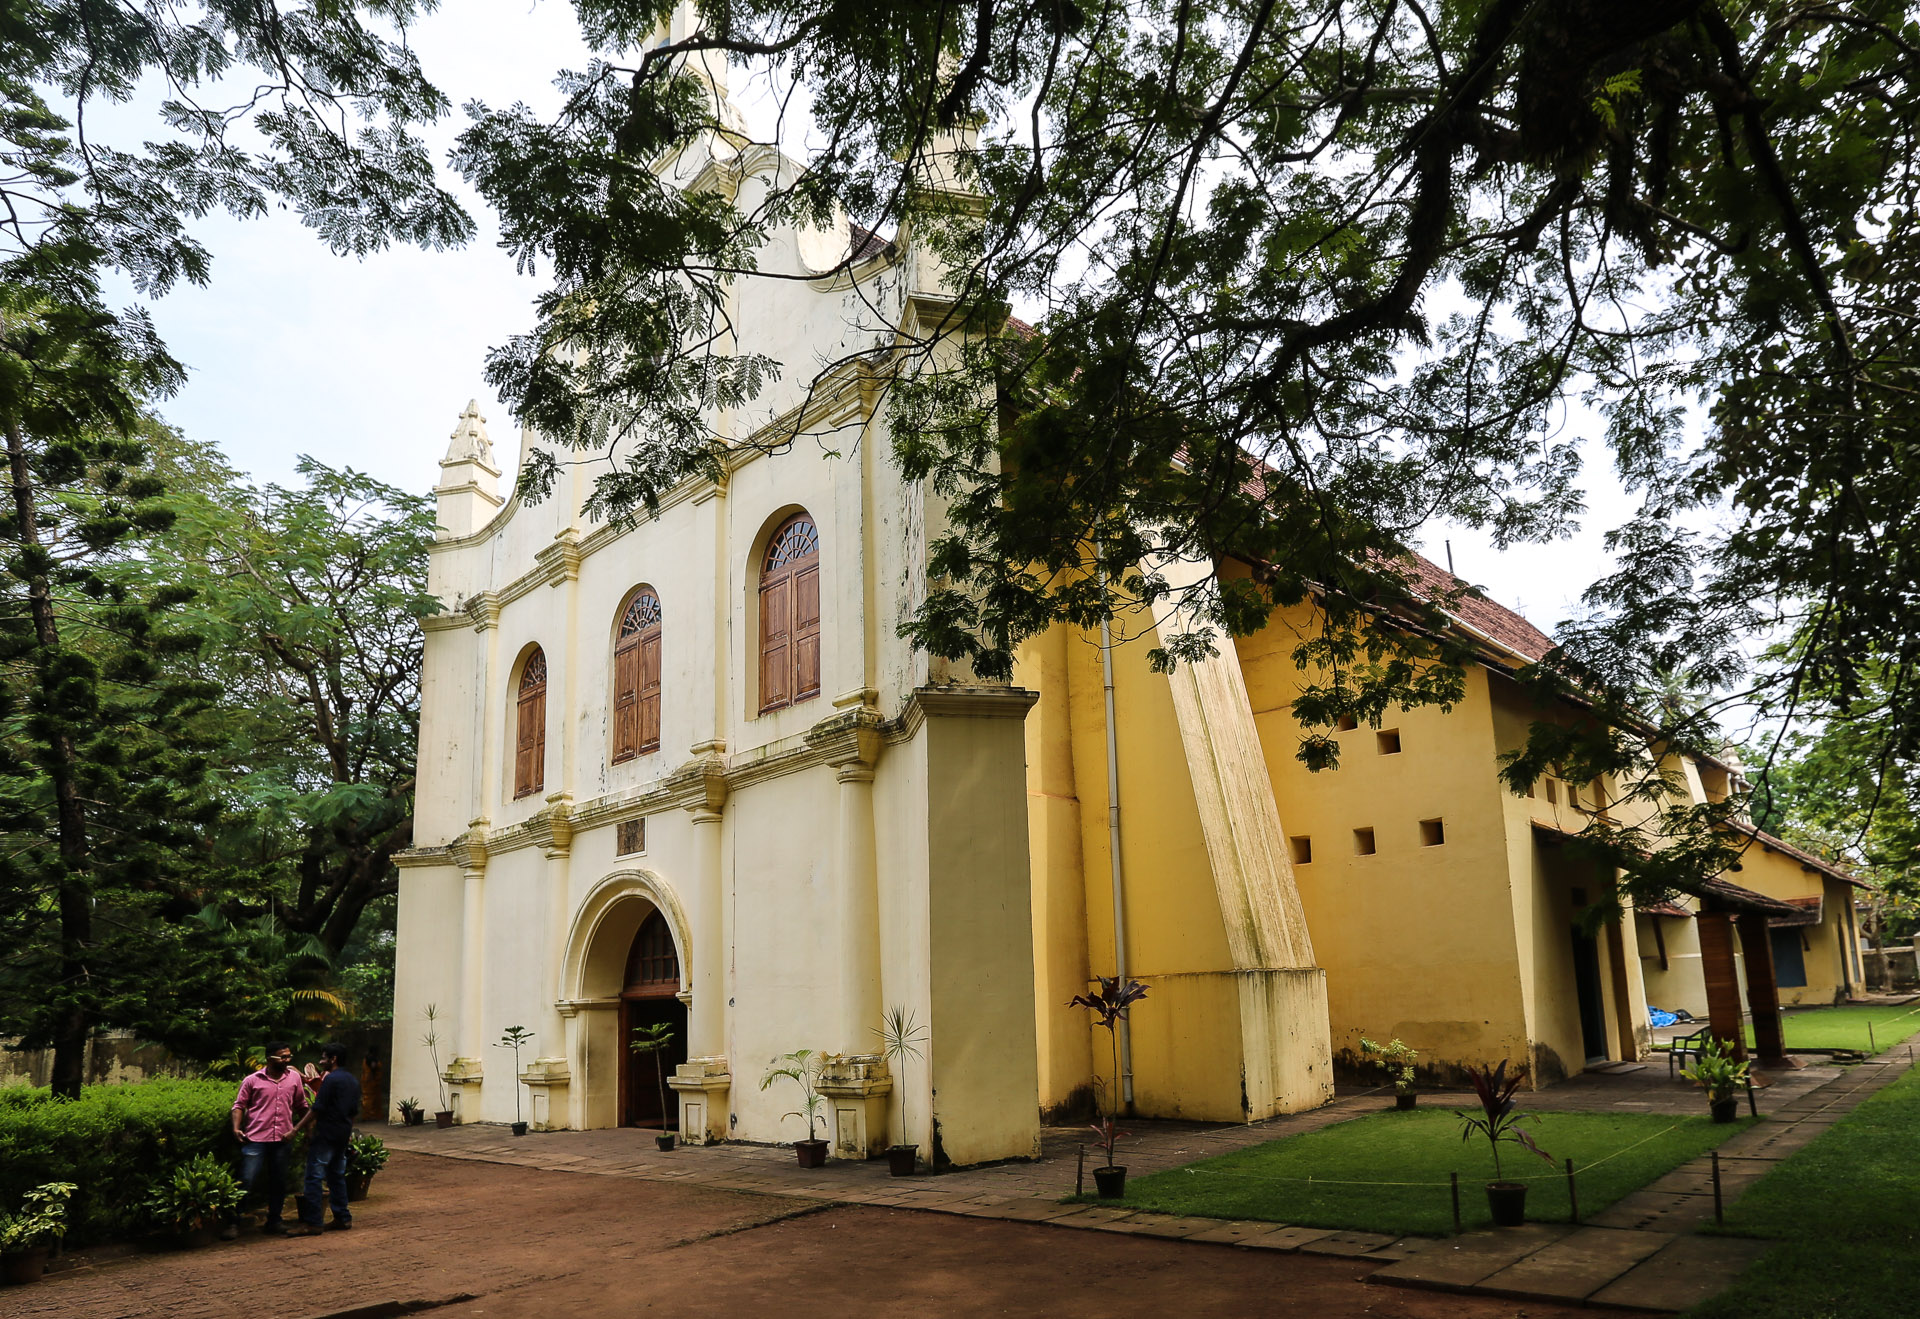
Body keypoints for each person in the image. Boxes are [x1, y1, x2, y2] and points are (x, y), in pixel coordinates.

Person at [225, 1041, 310, 1238]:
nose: (287, 1060)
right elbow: (239, 1106)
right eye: (283, 1057)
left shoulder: (294, 1079)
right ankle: (233, 1222)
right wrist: (236, 1128)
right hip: (256, 1139)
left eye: (289, 1056)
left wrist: (306, 1130)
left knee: (278, 1181)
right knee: (246, 1180)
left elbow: (301, 1105)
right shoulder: (252, 1080)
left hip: (282, 1139)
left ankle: (275, 1220)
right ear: (269, 1059)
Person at [291, 1042, 362, 1235]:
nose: (320, 1062)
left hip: (326, 1134)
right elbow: (354, 1111)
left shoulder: (330, 1080)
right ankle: (342, 1217)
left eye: (324, 1058)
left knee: (314, 1176)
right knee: (336, 1175)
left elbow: (317, 1108)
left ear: (333, 1059)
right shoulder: (352, 1080)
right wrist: (347, 1131)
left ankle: (313, 1222)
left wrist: (296, 1128)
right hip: (342, 1134)